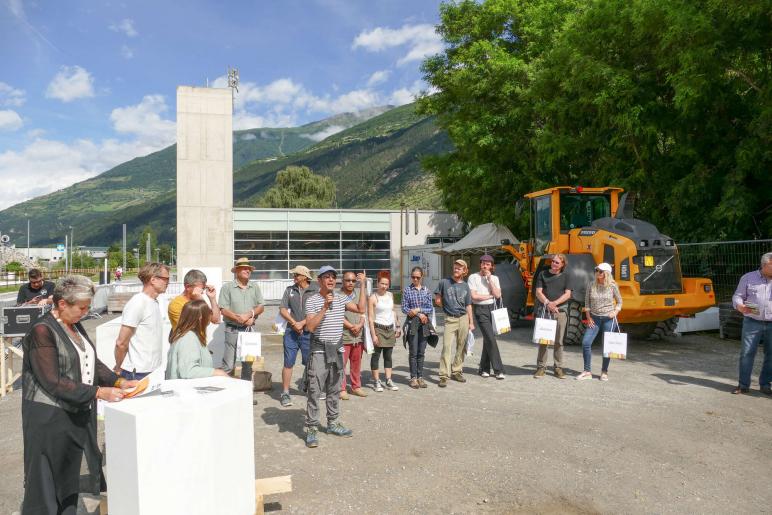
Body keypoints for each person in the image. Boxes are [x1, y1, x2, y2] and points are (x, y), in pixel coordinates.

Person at [21, 275, 135, 514]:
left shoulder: (73, 323)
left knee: (67, 478)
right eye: (82, 307)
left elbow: (91, 360)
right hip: (49, 418)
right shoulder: (41, 330)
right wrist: (99, 391)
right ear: (63, 304)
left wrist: (118, 380)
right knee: (46, 481)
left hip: (73, 413)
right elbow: (52, 381)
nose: (86, 312)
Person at [303, 265, 366, 448]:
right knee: (315, 390)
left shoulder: (341, 298)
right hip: (319, 350)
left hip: (336, 349)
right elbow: (310, 327)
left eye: (333, 277)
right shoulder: (312, 300)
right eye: (327, 277)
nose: (331, 280)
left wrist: (362, 286)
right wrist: (324, 307)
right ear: (319, 280)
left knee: (334, 389)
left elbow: (361, 308)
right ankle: (312, 428)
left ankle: (332, 423)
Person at [114, 262, 170, 380]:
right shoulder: (138, 303)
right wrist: (118, 367)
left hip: (153, 371)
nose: (168, 282)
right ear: (153, 280)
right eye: (166, 279)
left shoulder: (154, 302)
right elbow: (121, 342)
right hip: (137, 373)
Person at [731, 252, 772, 395]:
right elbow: (737, 296)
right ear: (765, 265)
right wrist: (740, 306)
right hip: (752, 322)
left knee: (771, 355)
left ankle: (766, 385)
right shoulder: (748, 277)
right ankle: (743, 385)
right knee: (747, 353)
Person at [218, 258, 265, 379]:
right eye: (244, 268)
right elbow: (223, 309)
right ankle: (226, 394)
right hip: (232, 330)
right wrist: (238, 318)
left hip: (248, 331)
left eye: (249, 269)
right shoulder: (227, 287)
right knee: (228, 365)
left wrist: (251, 315)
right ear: (237, 271)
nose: (247, 270)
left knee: (248, 365)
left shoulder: (254, 287)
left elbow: (260, 306)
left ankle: (246, 395)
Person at [278, 265, 317, 407]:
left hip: (309, 332)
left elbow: (319, 311)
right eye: (294, 275)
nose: (294, 277)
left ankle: (312, 388)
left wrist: (303, 323)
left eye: (296, 275)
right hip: (291, 332)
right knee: (288, 362)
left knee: (310, 362)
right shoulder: (289, 290)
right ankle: (285, 392)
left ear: (305, 276)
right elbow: (282, 309)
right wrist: (294, 323)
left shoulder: (315, 291)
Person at [576, 263, 622, 381]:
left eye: (600, 271)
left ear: (606, 273)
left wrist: (615, 312)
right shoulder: (591, 285)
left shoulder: (612, 286)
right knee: (586, 342)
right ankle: (587, 371)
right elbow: (587, 303)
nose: (597, 273)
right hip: (594, 319)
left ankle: (604, 371)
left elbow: (620, 301)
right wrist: (588, 317)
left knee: (607, 346)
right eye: (596, 270)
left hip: (609, 319)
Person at [434, 259, 475, 388]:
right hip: (450, 319)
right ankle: (443, 375)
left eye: (459, 268)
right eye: (455, 267)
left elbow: (468, 305)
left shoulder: (465, 286)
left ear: (464, 271)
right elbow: (438, 299)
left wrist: (471, 322)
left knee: (461, 346)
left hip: (463, 318)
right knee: (446, 346)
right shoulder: (444, 282)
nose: (456, 269)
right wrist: (441, 303)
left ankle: (456, 371)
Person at [166, 300, 228, 379]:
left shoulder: (188, 335)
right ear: (200, 317)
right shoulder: (188, 339)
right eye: (209, 312)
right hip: (185, 390)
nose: (211, 315)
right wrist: (217, 372)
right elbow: (188, 371)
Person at [533, 254, 572, 379]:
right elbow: (538, 292)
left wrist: (555, 303)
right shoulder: (542, 274)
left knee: (559, 341)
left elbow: (568, 294)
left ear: (562, 265)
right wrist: (548, 303)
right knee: (544, 340)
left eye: (557, 262)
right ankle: (541, 368)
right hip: (545, 310)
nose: (554, 264)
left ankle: (558, 368)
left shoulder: (566, 276)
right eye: (553, 261)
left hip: (560, 312)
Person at [468, 255, 505, 379]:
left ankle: (484, 369)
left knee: (488, 339)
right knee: (490, 338)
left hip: (493, 309)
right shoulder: (473, 277)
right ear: (480, 264)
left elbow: (498, 294)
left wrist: (489, 280)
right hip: (480, 309)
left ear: (492, 267)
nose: (485, 266)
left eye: (488, 264)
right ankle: (498, 369)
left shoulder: (494, 278)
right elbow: (474, 296)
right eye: (483, 263)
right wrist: (489, 296)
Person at [401, 266, 434, 389]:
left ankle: (420, 377)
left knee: (421, 352)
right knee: (413, 352)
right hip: (412, 323)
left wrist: (418, 310)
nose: (415, 279)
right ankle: (413, 377)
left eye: (417, 277)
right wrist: (418, 313)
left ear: (422, 277)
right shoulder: (407, 290)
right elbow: (404, 308)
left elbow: (430, 308)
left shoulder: (426, 291)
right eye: (413, 277)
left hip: (424, 324)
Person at [367, 275, 401, 392]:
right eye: (382, 283)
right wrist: (373, 335)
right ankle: (376, 381)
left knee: (388, 356)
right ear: (377, 283)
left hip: (389, 329)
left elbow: (393, 311)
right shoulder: (373, 298)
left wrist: (397, 326)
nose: (384, 286)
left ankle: (388, 379)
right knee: (376, 355)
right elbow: (370, 318)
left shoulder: (390, 295)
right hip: (378, 328)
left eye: (386, 284)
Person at [340, 271, 368, 400]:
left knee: (356, 364)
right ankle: (341, 388)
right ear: (342, 281)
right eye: (347, 280)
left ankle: (356, 386)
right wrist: (351, 326)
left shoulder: (359, 294)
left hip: (358, 336)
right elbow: (338, 316)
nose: (350, 283)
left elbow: (363, 312)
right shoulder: (338, 295)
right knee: (341, 364)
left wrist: (360, 325)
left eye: (353, 281)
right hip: (344, 336)